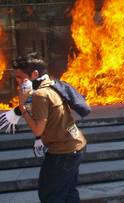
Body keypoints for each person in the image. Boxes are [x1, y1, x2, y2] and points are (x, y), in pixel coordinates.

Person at [13, 53, 86, 203]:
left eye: (20, 78)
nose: (18, 82)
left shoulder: (40, 94)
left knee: (49, 195)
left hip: (62, 152)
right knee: (68, 193)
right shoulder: (52, 85)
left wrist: (22, 107)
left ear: (34, 74)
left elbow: (38, 130)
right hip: (75, 146)